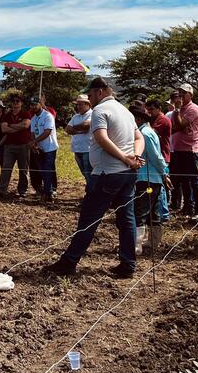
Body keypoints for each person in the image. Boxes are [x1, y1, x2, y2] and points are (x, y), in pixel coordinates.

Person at [46, 78, 145, 279]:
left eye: (90, 95)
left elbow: (101, 137)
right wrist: (134, 156)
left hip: (107, 173)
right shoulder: (125, 111)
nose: (89, 99)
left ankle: (69, 262)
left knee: (89, 218)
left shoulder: (100, 110)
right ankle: (128, 264)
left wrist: (125, 157)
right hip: (127, 174)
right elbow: (138, 138)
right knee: (126, 219)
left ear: (100, 92)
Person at [131, 102, 169, 253]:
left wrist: (164, 172)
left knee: (140, 211)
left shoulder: (145, 134)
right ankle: (153, 242)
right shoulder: (145, 131)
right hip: (152, 178)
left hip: (147, 178)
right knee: (153, 212)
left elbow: (156, 157)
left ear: (139, 119)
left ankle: (136, 245)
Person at [170, 83, 198, 221]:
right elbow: (174, 126)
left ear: (190, 95)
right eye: (179, 93)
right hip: (179, 149)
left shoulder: (193, 109)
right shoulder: (180, 109)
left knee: (194, 181)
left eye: (183, 93)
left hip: (189, 149)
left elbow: (179, 125)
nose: (180, 96)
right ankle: (188, 208)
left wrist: (177, 110)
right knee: (184, 180)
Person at [0, 95, 31, 198]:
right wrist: (18, 127)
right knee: (6, 168)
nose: (15, 103)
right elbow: (4, 129)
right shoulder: (7, 115)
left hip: (23, 145)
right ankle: (1, 189)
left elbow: (25, 125)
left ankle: (22, 190)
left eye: (17, 101)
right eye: (13, 101)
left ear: (21, 103)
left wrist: (10, 125)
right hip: (9, 146)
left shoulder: (25, 113)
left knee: (23, 169)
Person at [29, 96, 58, 204]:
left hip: (49, 148)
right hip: (39, 148)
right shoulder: (33, 118)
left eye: (35, 104)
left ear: (40, 104)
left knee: (47, 169)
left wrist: (35, 141)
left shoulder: (47, 116)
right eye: (32, 105)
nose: (34, 107)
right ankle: (48, 191)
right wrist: (34, 143)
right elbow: (32, 133)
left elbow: (47, 132)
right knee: (42, 170)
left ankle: (48, 193)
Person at [146, 99, 172, 221]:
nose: (149, 112)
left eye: (152, 109)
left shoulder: (162, 120)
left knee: (160, 186)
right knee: (158, 185)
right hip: (157, 155)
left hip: (161, 156)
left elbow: (151, 132)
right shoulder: (154, 119)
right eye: (148, 110)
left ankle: (163, 213)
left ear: (159, 108)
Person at [66, 94, 93, 184]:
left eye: (80, 104)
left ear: (87, 104)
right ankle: (90, 187)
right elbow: (67, 129)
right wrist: (80, 130)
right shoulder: (75, 116)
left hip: (88, 149)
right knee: (84, 172)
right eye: (77, 105)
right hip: (77, 149)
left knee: (89, 172)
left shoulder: (92, 114)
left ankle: (91, 190)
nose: (78, 107)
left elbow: (86, 125)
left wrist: (74, 128)